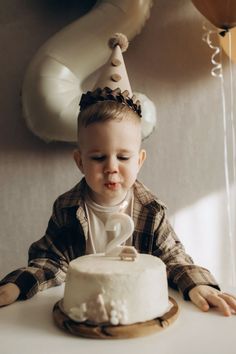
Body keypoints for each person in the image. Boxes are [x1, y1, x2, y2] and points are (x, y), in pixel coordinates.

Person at [0, 34, 236, 316]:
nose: (111, 167)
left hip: (137, 314)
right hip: (84, 315)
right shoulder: (68, 209)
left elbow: (173, 259)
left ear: (139, 161)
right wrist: (18, 284)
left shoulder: (151, 211)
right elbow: (50, 260)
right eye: (98, 157)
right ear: (80, 161)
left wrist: (198, 285)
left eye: (123, 157)